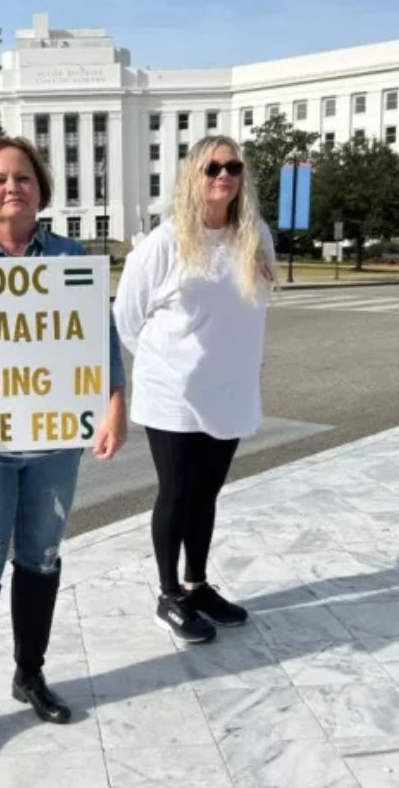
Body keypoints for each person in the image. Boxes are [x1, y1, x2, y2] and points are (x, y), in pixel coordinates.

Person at [0, 136, 128, 771]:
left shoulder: (68, 256)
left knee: (41, 556)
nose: (14, 188)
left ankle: (29, 675)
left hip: (54, 440)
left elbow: (100, 337)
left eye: (25, 178)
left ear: (41, 188)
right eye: (0, 179)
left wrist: (115, 400)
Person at [113, 135, 276, 644]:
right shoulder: (165, 243)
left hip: (229, 390)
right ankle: (169, 595)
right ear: (194, 176)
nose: (222, 175)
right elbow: (127, 318)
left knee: (206, 495)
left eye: (232, 167)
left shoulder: (255, 237)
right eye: (211, 168)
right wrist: (169, 365)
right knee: (178, 494)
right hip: (173, 396)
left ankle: (196, 583)